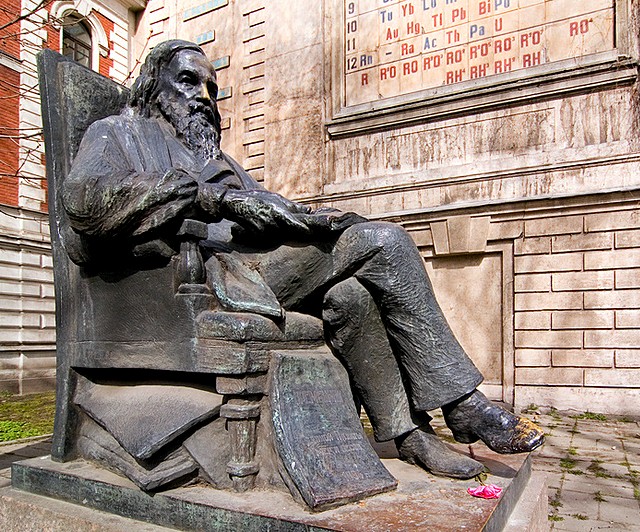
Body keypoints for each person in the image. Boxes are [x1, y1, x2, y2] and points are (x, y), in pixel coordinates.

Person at [64, 40, 544, 480]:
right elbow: (85, 202)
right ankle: (462, 404)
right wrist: (214, 199)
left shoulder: (221, 161)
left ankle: (407, 433)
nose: (204, 97)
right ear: (154, 86)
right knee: (383, 240)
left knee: (351, 296)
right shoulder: (118, 133)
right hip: (195, 281)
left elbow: (262, 205)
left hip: (254, 269)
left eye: (213, 89)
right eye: (189, 82)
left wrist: (304, 218)